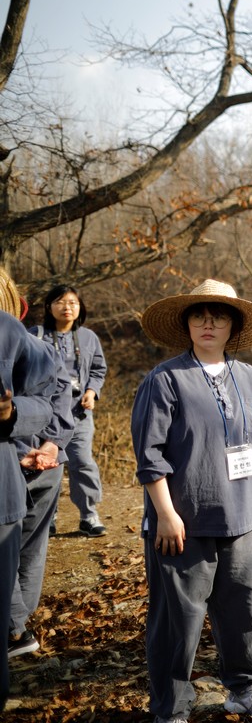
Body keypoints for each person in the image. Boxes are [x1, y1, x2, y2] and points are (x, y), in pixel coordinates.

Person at [131, 280, 252, 723]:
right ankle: (172, 708)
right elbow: (149, 454)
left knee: (243, 611)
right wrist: (165, 514)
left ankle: (244, 689)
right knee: (178, 620)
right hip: (182, 523)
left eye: (218, 315)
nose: (209, 323)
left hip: (238, 519)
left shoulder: (251, 379)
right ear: (187, 324)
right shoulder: (165, 379)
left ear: (233, 324)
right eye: (199, 315)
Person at [0, 269, 57, 707]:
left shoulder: (9, 333)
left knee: (30, 549)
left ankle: (18, 627)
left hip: (9, 486)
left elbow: (47, 402)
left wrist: (11, 413)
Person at [9, 301, 75, 660]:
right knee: (32, 547)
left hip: (19, 461)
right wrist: (50, 445)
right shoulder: (43, 348)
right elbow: (62, 399)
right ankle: (19, 628)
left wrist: (27, 450)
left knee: (10, 546)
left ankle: (15, 631)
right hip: (48, 460)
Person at [27, 285, 108, 537]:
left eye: (73, 302)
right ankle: (47, 516)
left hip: (78, 412)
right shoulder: (34, 335)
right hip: (43, 413)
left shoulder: (88, 337)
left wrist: (92, 392)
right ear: (49, 307)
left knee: (82, 462)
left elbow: (98, 369)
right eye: (61, 302)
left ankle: (88, 514)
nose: (67, 307)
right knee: (46, 463)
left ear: (80, 307)